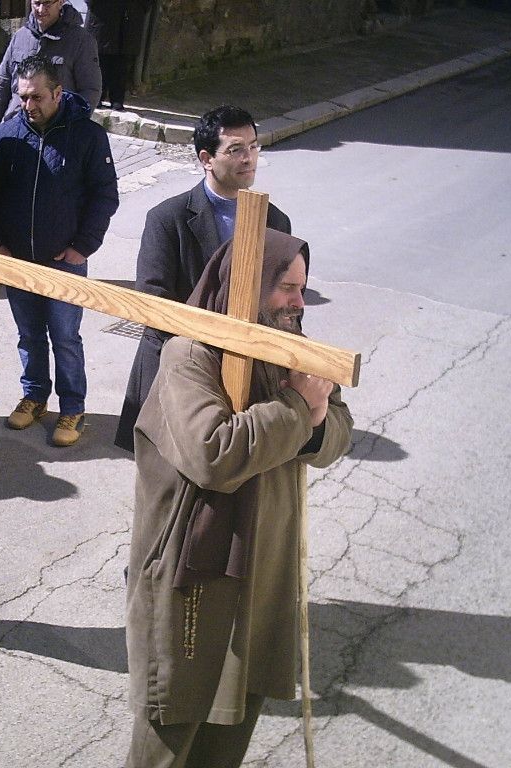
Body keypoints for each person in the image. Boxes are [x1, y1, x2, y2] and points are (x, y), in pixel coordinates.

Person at [125, 229, 353, 768]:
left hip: (262, 573)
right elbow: (214, 454)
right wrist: (299, 406)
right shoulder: (187, 354)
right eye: (286, 288)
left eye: (303, 288)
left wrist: (316, 420)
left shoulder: (292, 351)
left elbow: (336, 432)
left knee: (228, 735)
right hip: (192, 576)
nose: (299, 302)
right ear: (246, 288)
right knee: (168, 739)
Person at [115, 105, 293, 452]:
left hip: (247, 376)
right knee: (166, 484)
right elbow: (154, 309)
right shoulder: (168, 219)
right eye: (235, 149)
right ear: (206, 158)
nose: (248, 158)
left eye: (253, 146)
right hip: (178, 372)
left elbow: (281, 301)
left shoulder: (276, 221)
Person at [0, 54, 118, 447]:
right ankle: (34, 396)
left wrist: (82, 247)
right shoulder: (8, 135)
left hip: (65, 262)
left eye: (37, 97)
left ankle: (72, 406)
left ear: (58, 93)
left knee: (64, 336)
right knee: (29, 335)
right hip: (17, 260)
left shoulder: (88, 136)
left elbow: (104, 195)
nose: (29, 105)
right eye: (22, 97)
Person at [0, 0, 101, 145]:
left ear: (61, 2)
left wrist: (70, 126)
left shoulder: (81, 41)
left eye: (47, 3)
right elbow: (0, 88)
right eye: (37, 3)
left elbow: (90, 91)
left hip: (56, 137)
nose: (41, 9)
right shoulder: (20, 37)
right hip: (15, 132)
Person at [84, 0, 152, 111]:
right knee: (99, 59)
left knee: (122, 63)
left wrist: (141, 7)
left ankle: (117, 99)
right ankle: (96, 96)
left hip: (129, 16)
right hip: (103, 15)